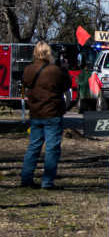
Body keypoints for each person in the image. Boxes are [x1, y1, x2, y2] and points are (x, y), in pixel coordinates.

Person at [20, 41, 70, 189]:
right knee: (52, 148)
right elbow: (66, 85)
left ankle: (26, 178)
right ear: (49, 53)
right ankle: (47, 181)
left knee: (33, 146)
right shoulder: (55, 70)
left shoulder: (29, 69)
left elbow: (25, 83)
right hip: (52, 112)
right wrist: (65, 69)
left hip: (35, 112)